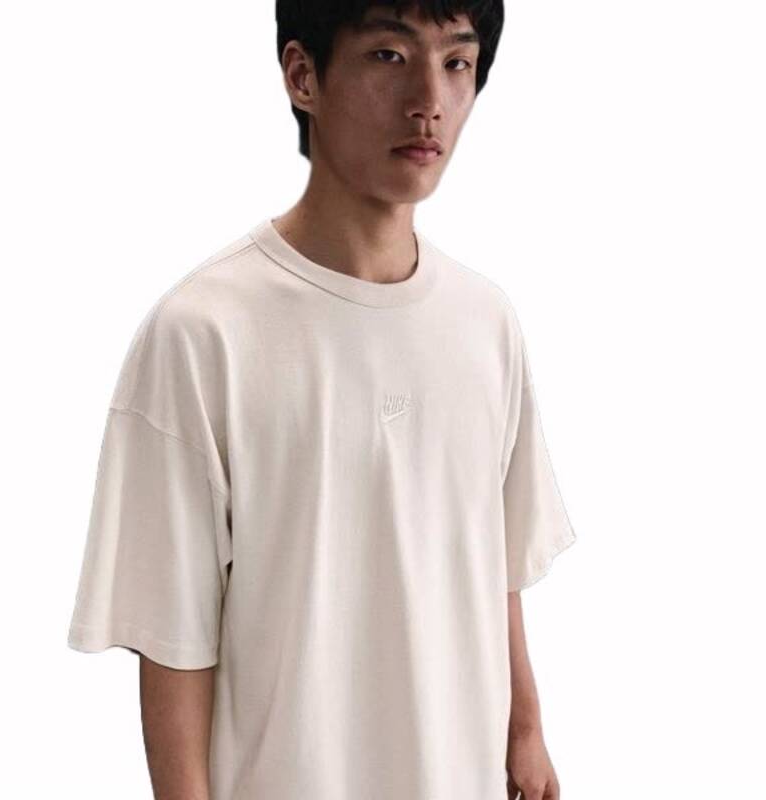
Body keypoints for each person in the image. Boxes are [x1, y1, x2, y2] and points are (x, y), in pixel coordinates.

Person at [66, 2, 577, 798]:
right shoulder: (203, 334)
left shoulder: (486, 322)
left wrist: (525, 731)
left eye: (456, 63)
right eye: (388, 56)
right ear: (303, 75)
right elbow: (173, 640)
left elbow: (495, 557)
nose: (430, 101)